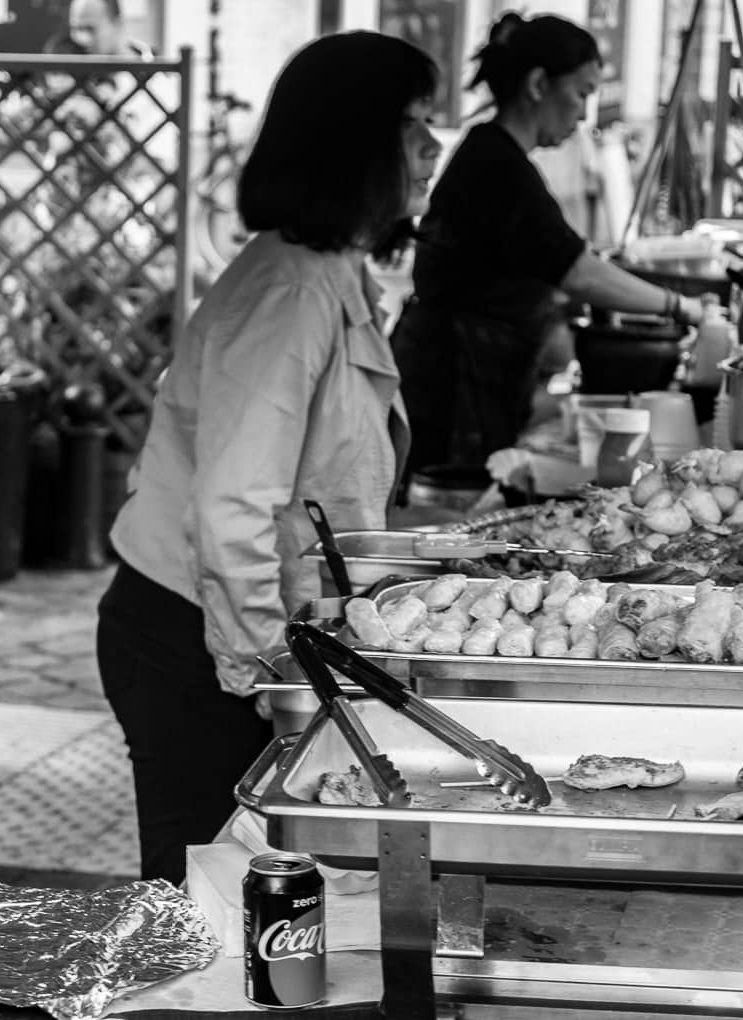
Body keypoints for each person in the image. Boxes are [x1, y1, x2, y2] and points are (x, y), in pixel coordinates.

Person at [96, 31, 440, 885]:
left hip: (238, 626)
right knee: (201, 901)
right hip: (192, 636)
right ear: (349, 143)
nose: (432, 148)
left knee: (260, 889)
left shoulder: (334, 272)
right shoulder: (291, 289)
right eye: (410, 126)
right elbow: (231, 505)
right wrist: (264, 673)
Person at [390, 11, 705, 479]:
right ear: (538, 84)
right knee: (451, 502)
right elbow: (577, 271)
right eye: (580, 93)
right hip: (455, 375)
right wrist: (681, 306)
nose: (583, 113)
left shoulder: (496, 154)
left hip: (470, 368)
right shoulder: (497, 165)